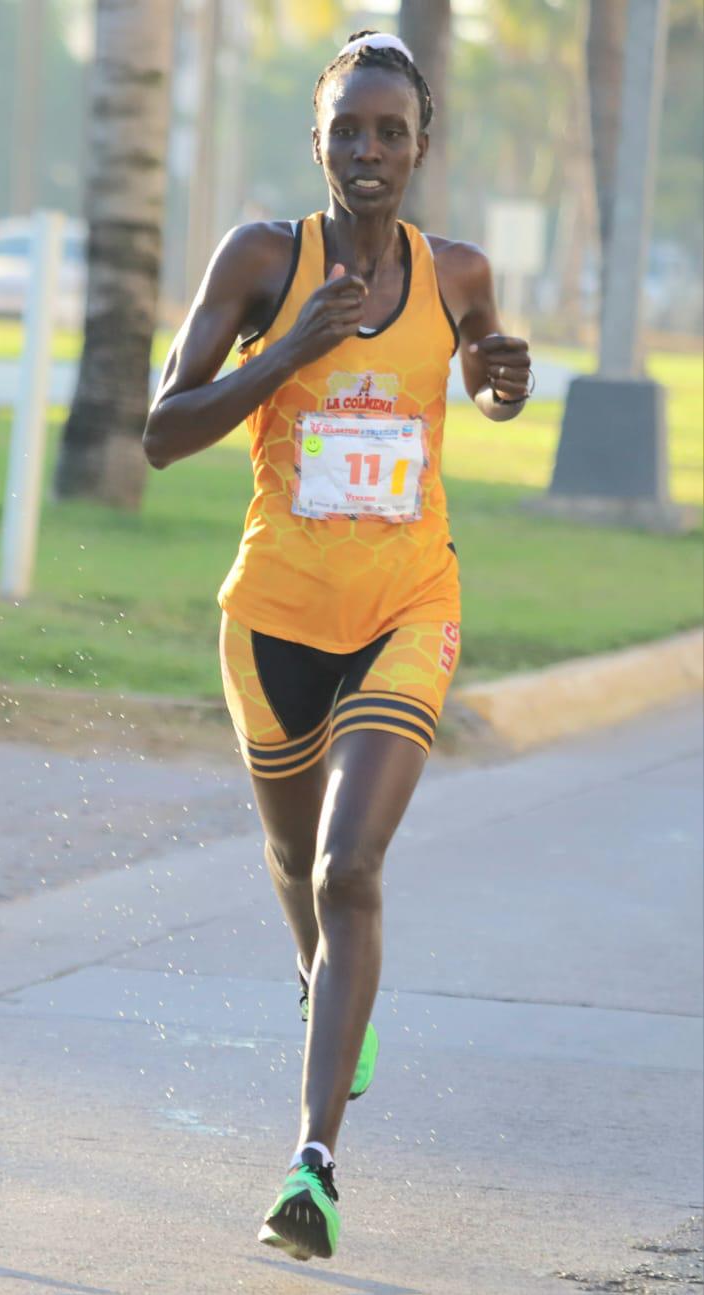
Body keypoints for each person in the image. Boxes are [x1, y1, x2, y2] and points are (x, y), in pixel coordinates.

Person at [142, 31, 531, 1261]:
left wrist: (501, 380)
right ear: (317, 142)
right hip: (271, 620)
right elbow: (161, 429)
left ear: (422, 146)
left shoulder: (457, 269)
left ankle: (312, 1163)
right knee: (293, 855)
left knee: (348, 867)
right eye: (347, 131)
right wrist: (293, 347)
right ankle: (329, 989)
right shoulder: (263, 259)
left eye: (391, 133)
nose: (369, 152)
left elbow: (478, 376)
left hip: (410, 604)